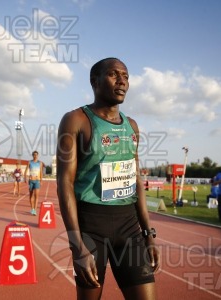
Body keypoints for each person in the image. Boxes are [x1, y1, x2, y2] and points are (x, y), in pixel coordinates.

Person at [56, 58, 159, 299]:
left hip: (129, 226)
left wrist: (148, 235)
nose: (122, 80)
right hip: (92, 227)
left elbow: (136, 183)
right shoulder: (75, 120)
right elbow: (65, 184)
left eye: (125, 75)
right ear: (95, 81)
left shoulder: (132, 126)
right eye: (114, 74)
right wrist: (76, 245)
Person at [24, 151, 43, 215]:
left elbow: (41, 172)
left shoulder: (40, 163)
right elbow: (26, 170)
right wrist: (25, 178)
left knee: (36, 196)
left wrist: (41, 181)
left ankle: (35, 209)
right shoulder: (30, 162)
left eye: (36, 155)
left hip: (37, 180)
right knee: (31, 195)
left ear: (38, 155)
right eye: (34, 155)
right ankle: (32, 209)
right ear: (32, 155)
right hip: (31, 180)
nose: (35, 156)